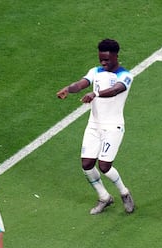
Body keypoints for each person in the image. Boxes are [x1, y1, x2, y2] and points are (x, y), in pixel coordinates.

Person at [57, 38, 135, 215]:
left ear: (116, 56)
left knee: (105, 166)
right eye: (101, 59)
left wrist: (95, 93)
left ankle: (124, 193)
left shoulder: (126, 75)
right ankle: (104, 197)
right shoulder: (96, 71)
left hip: (113, 126)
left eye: (106, 59)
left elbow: (116, 90)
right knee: (86, 164)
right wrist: (68, 89)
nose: (103, 62)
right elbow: (81, 83)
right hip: (93, 125)